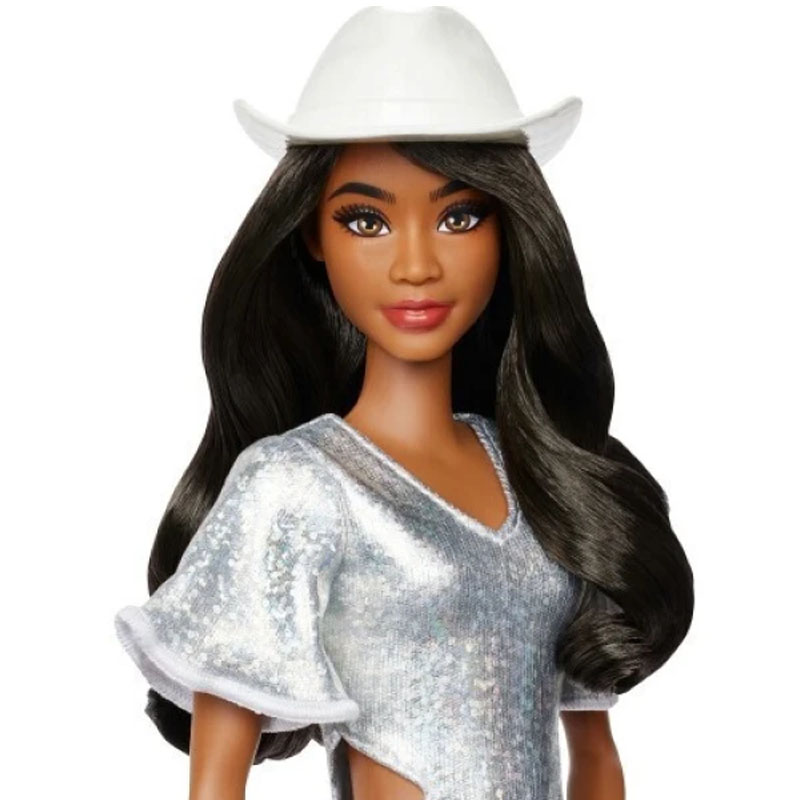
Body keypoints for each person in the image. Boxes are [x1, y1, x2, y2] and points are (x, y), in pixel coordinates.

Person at [113, 7, 694, 800]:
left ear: (508, 227)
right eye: (366, 221)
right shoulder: (296, 485)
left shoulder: (540, 478)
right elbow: (216, 785)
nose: (416, 264)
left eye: (460, 216)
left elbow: (594, 759)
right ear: (313, 235)